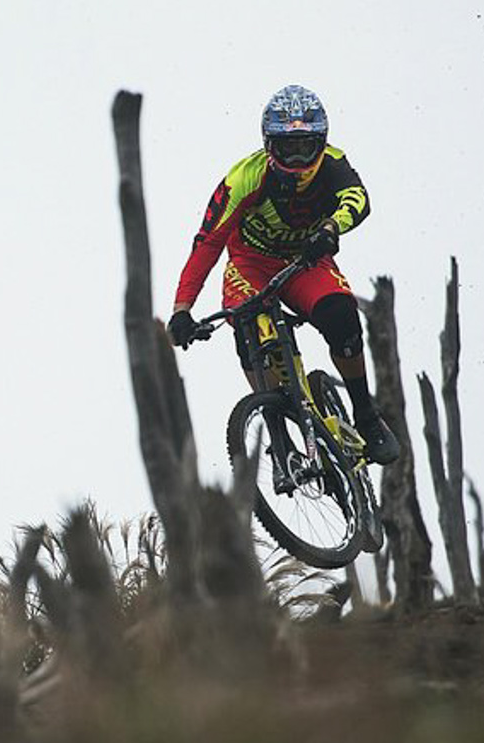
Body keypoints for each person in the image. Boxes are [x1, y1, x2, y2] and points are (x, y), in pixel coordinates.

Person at [167, 84, 401, 466]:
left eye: (304, 147)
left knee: (341, 316)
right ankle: (278, 434)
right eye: (285, 148)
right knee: (245, 325)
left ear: (321, 143)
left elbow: (358, 199)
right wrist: (181, 309)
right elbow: (207, 244)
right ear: (268, 145)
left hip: (305, 260)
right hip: (250, 264)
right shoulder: (244, 178)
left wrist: (330, 229)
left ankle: (367, 417)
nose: (296, 158)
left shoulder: (333, 164)